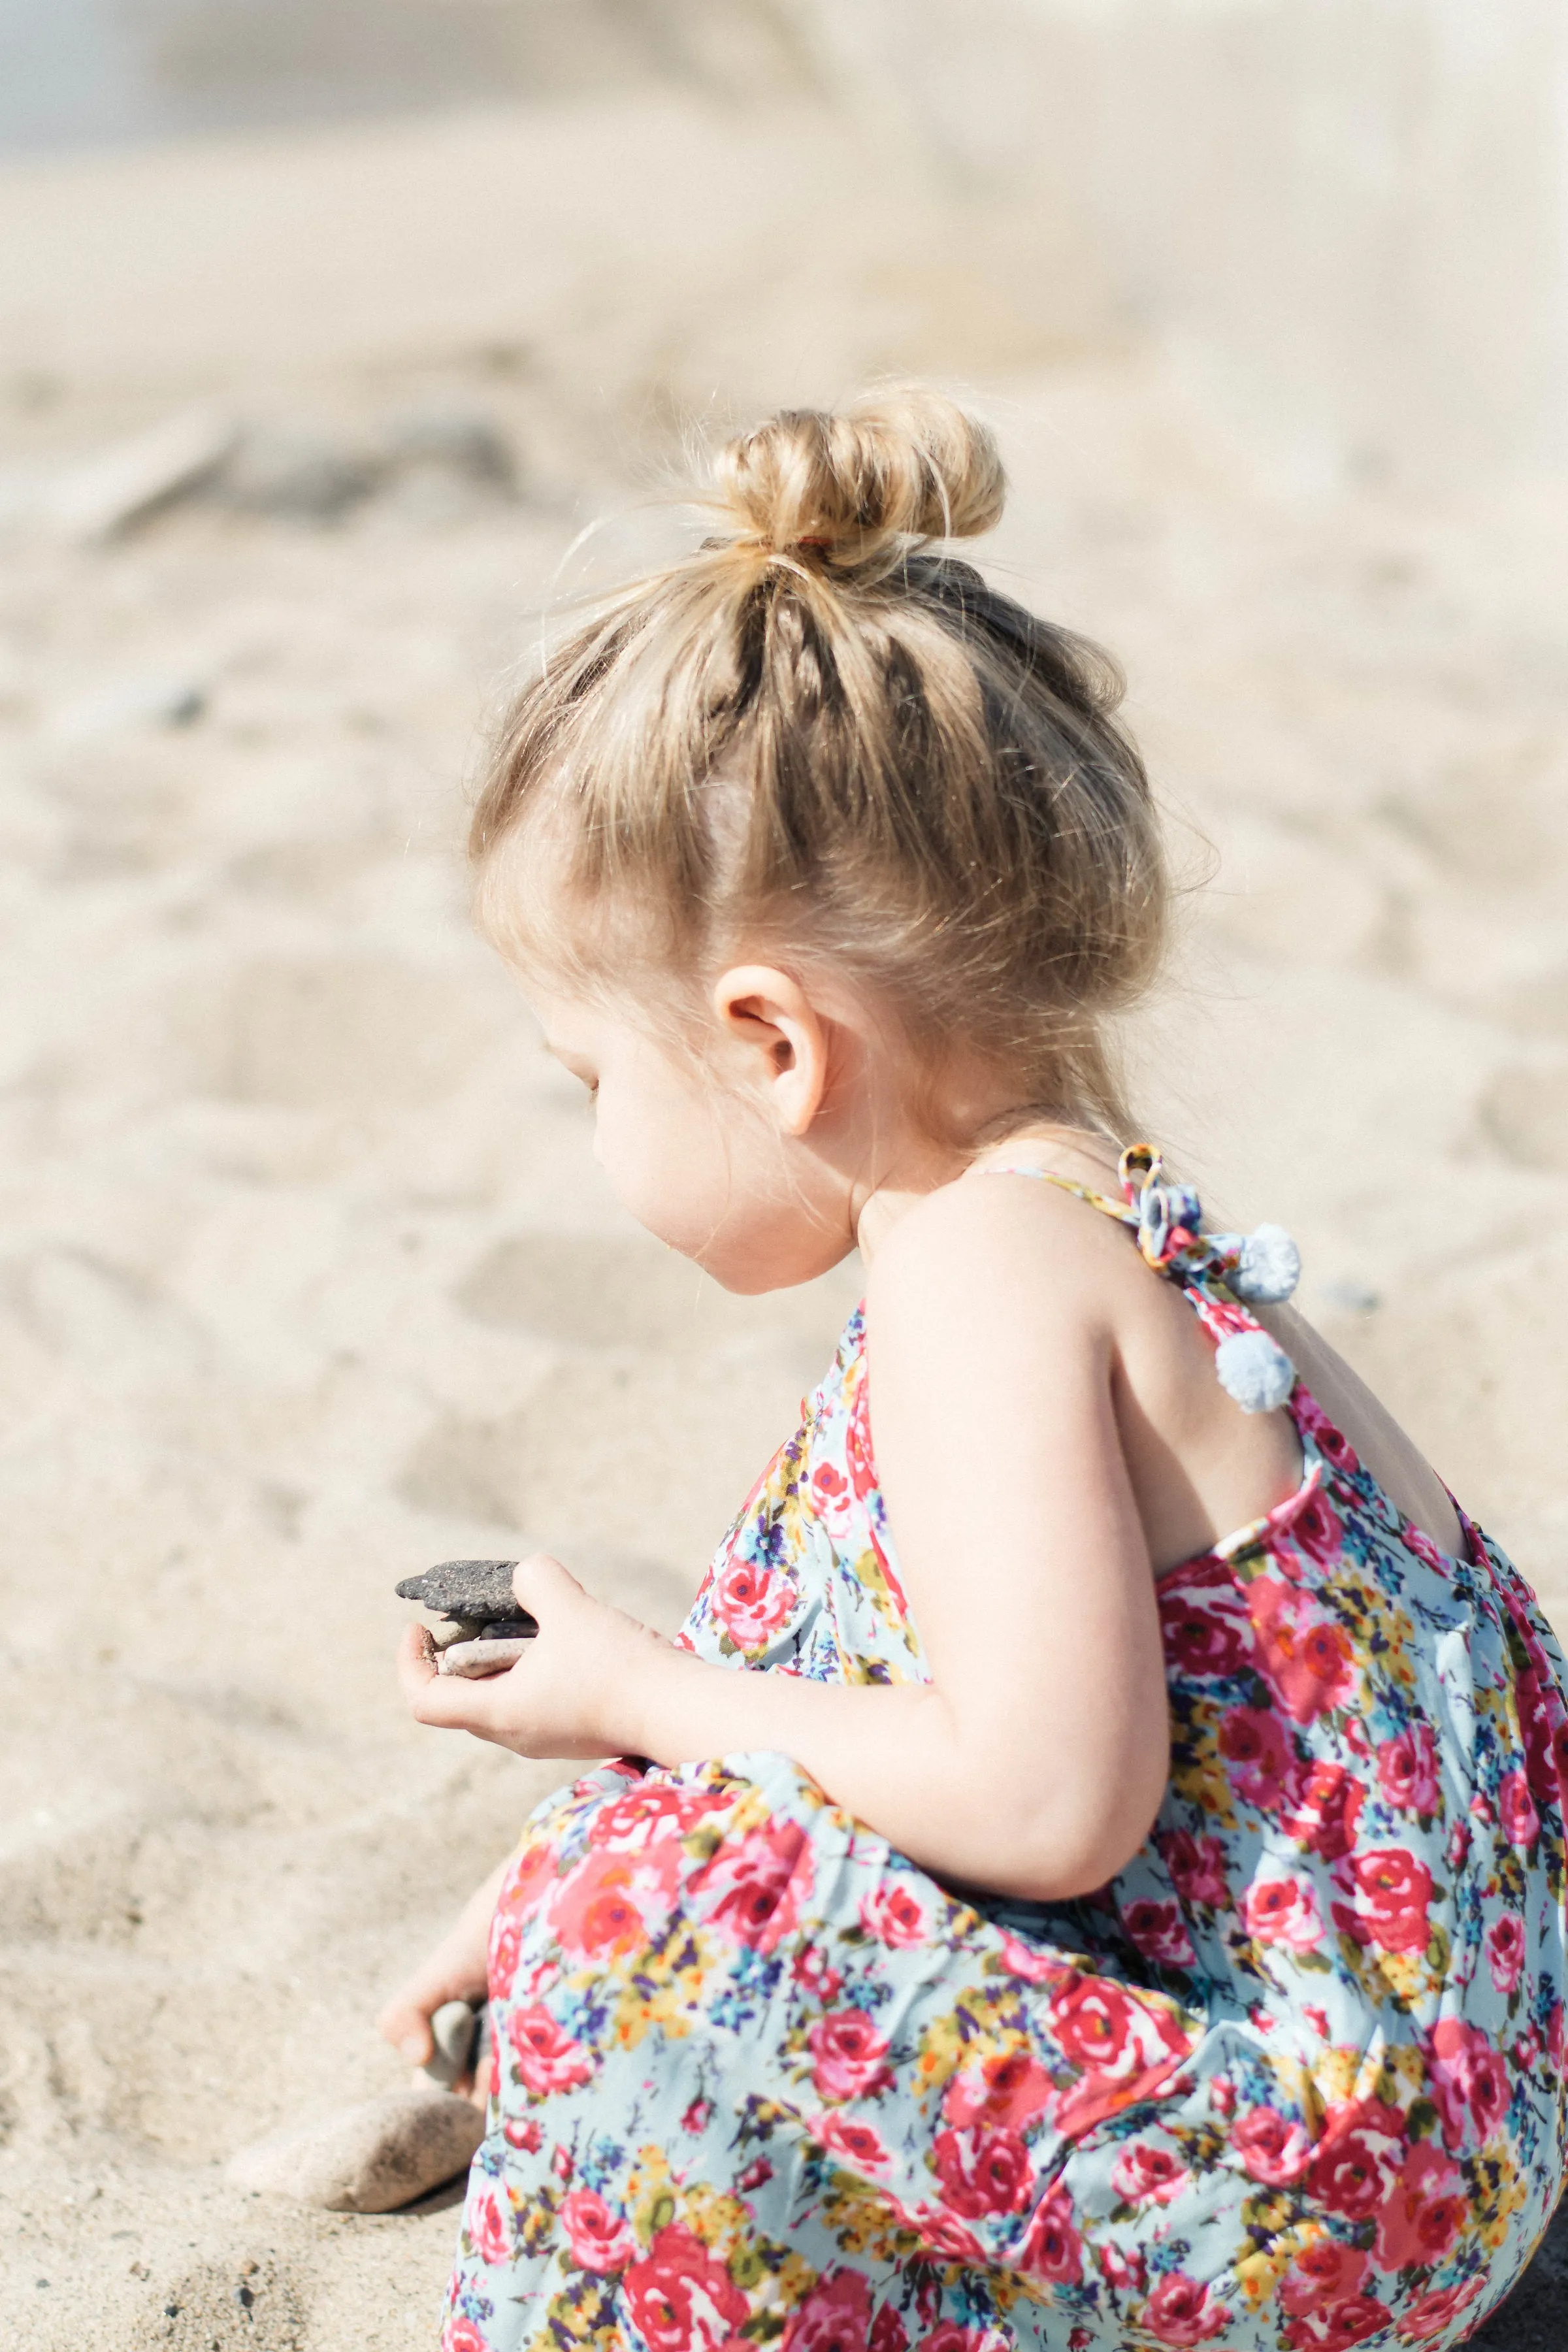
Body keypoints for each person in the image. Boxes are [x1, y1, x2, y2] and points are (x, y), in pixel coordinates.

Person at [377, 389, 1568, 2351]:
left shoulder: (976, 1281)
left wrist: (628, 1700)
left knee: (649, 1923)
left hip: (1326, 2200)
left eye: (593, 1081)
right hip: (1449, 2114)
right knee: (646, 1842)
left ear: (774, 1046)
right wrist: (596, 1809)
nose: (593, 1145)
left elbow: (1045, 1799)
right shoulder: (1130, 1228)